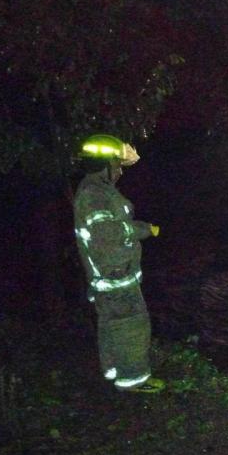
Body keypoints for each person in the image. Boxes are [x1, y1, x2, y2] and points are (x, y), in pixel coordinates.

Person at [73, 134, 164, 393]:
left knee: (110, 322)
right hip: (115, 273)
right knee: (132, 324)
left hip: (106, 274)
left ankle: (113, 370)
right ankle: (134, 380)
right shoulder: (95, 194)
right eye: (118, 165)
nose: (120, 172)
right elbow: (108, 232)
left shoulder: (94, 190)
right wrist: (145, 229)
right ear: (106, 164)